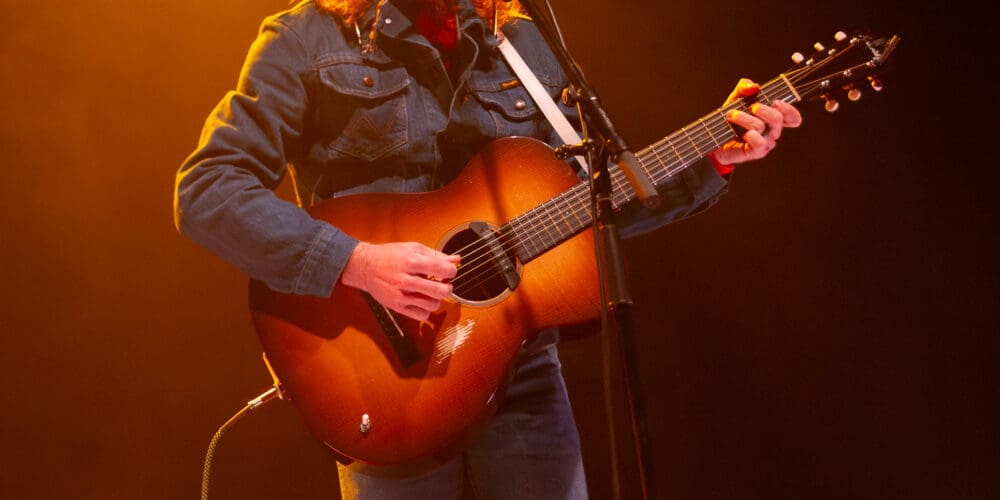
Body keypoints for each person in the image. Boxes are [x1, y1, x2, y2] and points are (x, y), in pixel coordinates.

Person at [174, 0, 802, 498]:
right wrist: (355, 261)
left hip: (520, 367)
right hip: (382, 374)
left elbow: (587, 205)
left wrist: (711, 160)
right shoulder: (304, 37)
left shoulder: (523, 41)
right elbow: (207, 190)